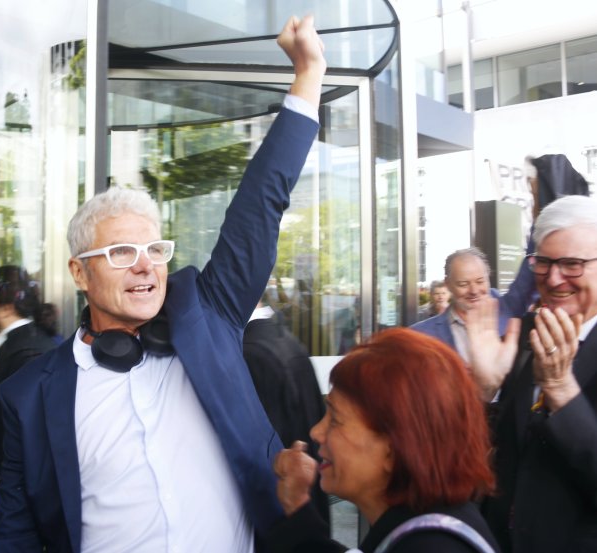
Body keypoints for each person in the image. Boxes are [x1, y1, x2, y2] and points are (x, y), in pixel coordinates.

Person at [0, 14, 326, 552]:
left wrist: (308, 76)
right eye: (121, 252)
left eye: (155, 251)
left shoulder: (208, 320)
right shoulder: (27, 395)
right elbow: (16, 532)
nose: (145, 266)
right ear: (79, 272)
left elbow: (260, 204)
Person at [267, 328, 500, 553]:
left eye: (336, 420)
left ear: (395, 449)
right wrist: (298, 506)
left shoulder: (432, 545)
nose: (317, 432)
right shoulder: (424, 530)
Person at [463, 194, 597, 553]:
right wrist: (482, 390)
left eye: (572, 264)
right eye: (542, 262)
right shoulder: (522, 334)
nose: (554, 279)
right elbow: (489, 454)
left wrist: (561, 389)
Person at [243, 298, 329, 526]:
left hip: (284, 503)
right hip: (307, 494)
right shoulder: (284, 338)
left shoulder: (251, 353)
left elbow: (263, 448)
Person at [0, 271, 57, 476]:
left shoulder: (27, 352)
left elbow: (23, 433)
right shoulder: (9, 345)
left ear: (6, 307)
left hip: (3, 484)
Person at [410, 247, 536, 363]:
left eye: (480, 281)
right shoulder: (419, 336)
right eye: (463, 284)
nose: (474, 291)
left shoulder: (507, 309)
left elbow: (530, 270)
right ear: (448, 284)